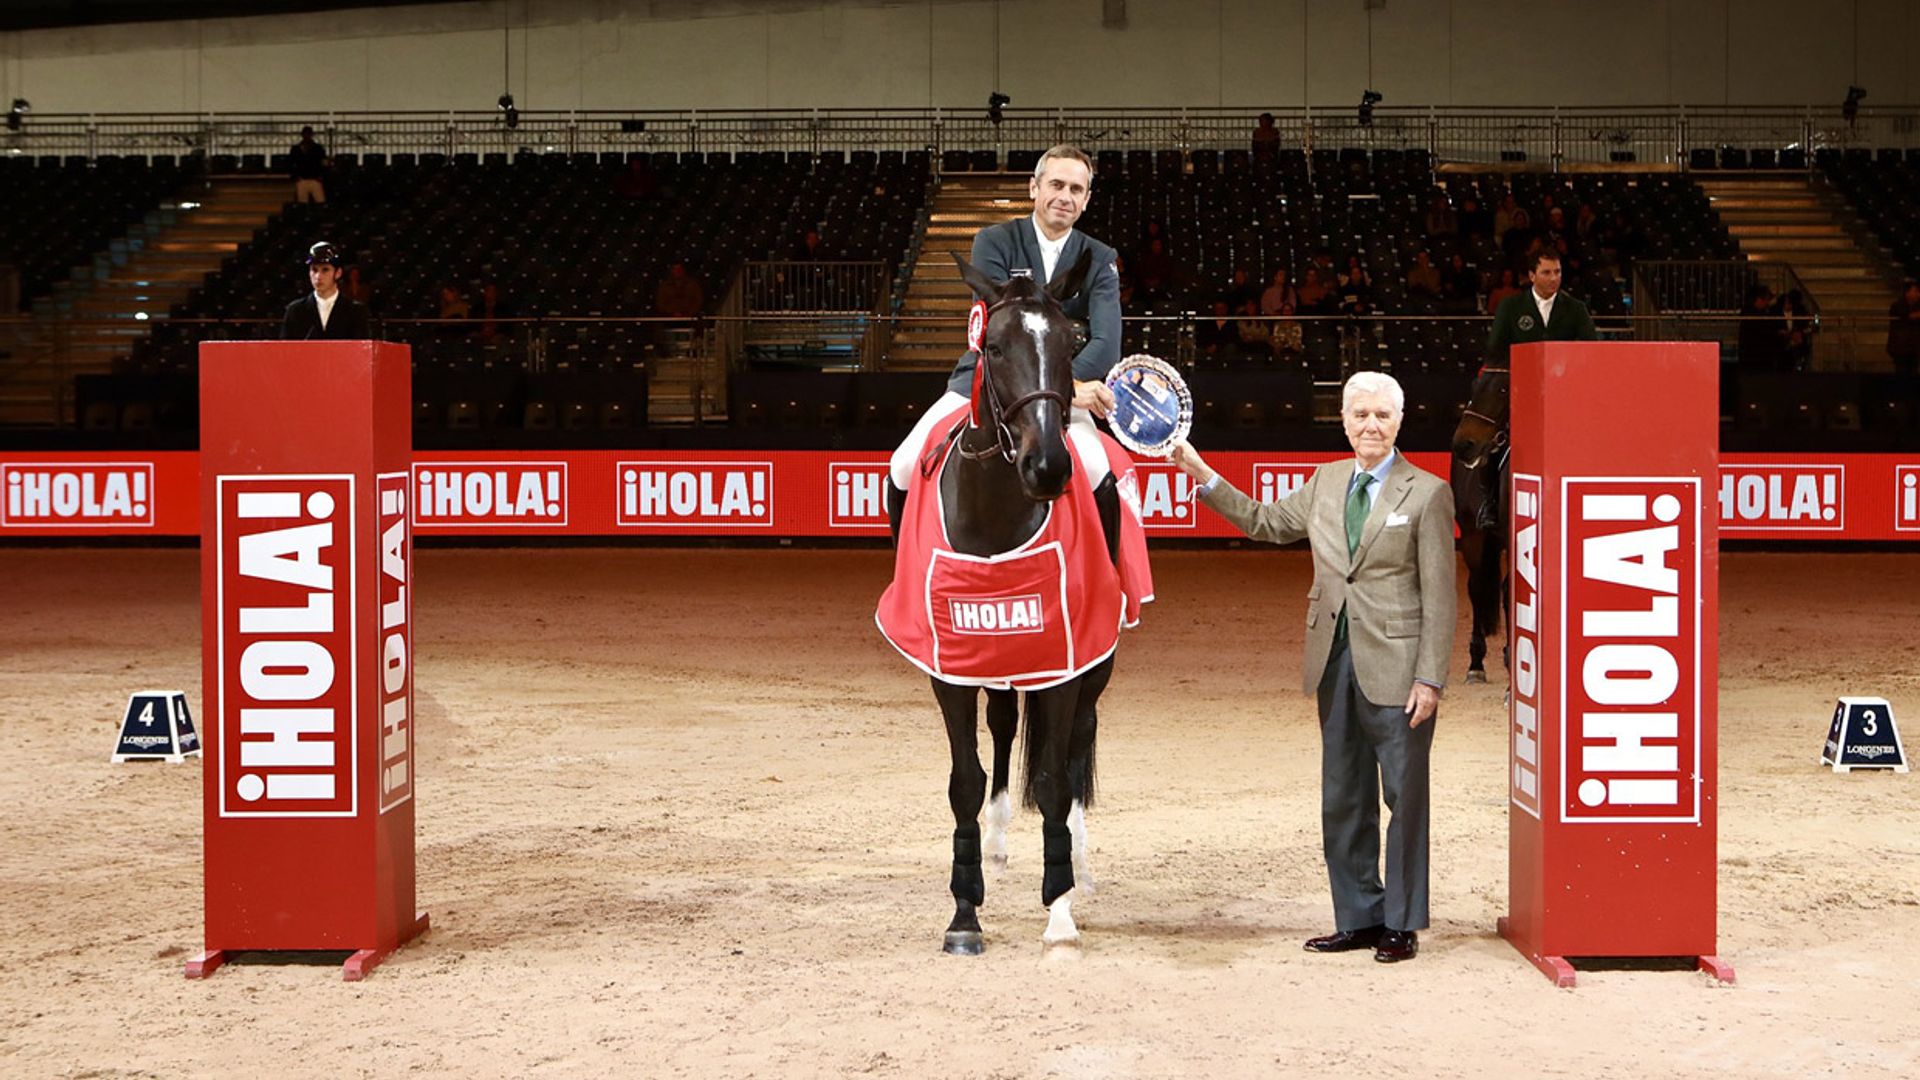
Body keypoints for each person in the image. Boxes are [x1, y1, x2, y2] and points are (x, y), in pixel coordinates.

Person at [1169, 371, 1455, 964]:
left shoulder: (1426, 492)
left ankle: (1401, 923)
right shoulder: (1325, 481)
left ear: (1400, 422)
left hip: (1400, 671)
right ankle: (1358, 917)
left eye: (1382, 415)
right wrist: (1201, 474)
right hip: (1333, 661)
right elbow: (1264, 523)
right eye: (1360, 415)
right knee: (1343, 796)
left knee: (1404, 797)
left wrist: (1431, 677)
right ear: (1344, 421)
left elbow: (1442, 595)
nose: (1371, 425)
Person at [886, 144, 1121, 493]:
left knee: (1098, 470)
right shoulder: (993, 241)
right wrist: (1063, 387)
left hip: (1061, 390)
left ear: (1086, 199)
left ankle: (1107, 551)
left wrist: (1062, 388)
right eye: (1056, 185)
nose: (1065, 197)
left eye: (1076, 189)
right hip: (987, 382)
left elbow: (1106, 345)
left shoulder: (1100, 257)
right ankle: (907, 550)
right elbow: (993, 328)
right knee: (903, 467)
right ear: (1034, 188)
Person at [1485, 249, 1597, 366]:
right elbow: (1495, 348)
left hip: (1563, 376)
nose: (1554, 278)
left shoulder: (1576, 308)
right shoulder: (1510, 306)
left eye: (1557, 272)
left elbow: (1591, 348)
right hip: (1520, 374)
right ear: (1532, 276)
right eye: (1546, 273)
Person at [282, 241, 372, 340]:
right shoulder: (295, 311)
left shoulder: (356, 312)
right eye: (314, 270)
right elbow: (285, 351)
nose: (318, 277)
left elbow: (361, 351)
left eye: (325, 270)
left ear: (338, 273)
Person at [1887, 281, 1920, 377]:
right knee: (1901, 374)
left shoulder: (1918, 305)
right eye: (1916, 291)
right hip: (1900, 347)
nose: (1918, 294)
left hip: (1914, 347)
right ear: (1907, 292)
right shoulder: (1897, 305)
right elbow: (1905, 316)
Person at [289, 125, 329, 204]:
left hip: (315, 179)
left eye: (308, 134)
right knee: (302, 203)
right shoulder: (296, 149)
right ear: (302, 135)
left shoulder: (318, 148)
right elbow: (291, 163)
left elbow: (324, 162)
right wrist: (295, 176)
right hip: (301, 179)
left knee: (320, 201)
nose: (307, 136)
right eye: (305, 134)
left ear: (311, 135)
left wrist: (321, 176)